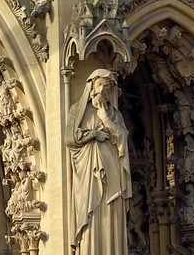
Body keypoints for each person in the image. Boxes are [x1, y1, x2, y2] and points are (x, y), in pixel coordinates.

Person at [67, 69, 129, 255]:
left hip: (112, 171)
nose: (102, 89)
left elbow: (122, 138)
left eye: (107, 86)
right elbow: (70, 138)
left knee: (111, 216)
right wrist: (93, 134)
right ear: (92, 86)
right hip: (87, 172)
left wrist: (105, 120)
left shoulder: (114, 114)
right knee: (90, 216)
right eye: (100, 84)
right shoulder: (78, 111)